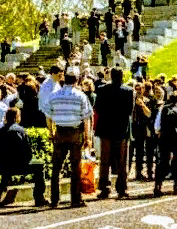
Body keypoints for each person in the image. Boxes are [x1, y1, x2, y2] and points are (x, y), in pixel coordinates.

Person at [45, 67, 93, 208]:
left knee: (56, 168)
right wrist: (87, 137)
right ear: (77, 80)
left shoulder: (54, 95)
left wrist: (51, 131)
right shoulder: (80, 96)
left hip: (59, 132)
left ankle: (54, 199)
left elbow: (48, 115)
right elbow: (86, 119)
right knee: (75, 167)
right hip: (75, 133)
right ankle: (75, 199)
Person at [0, 108, 48, 208]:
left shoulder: (0, 132)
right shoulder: (21, 131)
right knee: (39, 166)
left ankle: (0, 194)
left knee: (6, 173)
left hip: (2, 166)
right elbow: (28, 152)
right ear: (17, 117)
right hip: (20, 166)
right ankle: (39, 198)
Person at [94, 68, 134, 199]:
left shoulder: (102, 89)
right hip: (122, 128)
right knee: (122, 161)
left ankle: (104, 188)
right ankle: (122, 188)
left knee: (105, 160)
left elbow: (98, 108)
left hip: (106, 127)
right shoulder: (128, 91)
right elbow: (129, 110)